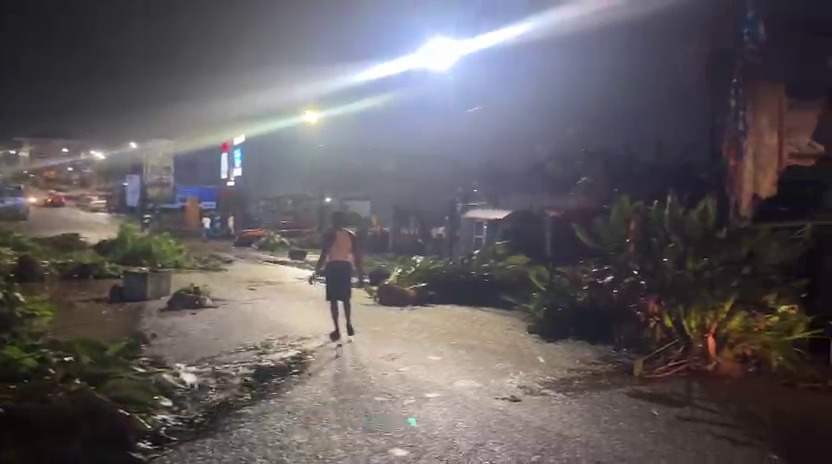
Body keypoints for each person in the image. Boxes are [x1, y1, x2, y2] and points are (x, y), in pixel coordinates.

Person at [314, 211, 363, 341]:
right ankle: (348, 323)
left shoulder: (329, 235)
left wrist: (316, 271)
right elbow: (357, 255)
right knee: (346, 299)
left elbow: (324, 254)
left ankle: (337, 329)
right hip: (346, 267)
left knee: (333, 300)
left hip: (333, 267)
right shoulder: (351, 235)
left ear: (333, 221)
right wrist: (360, 274)